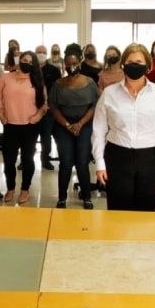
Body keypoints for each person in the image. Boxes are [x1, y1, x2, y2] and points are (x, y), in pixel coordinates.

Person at [92, 43, 155, 211]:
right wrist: (100, 163)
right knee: (118, 210)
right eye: (130, 62)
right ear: (123, 65)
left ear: (147, 65)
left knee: (147, 211)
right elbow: (99, 130)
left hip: (151, 158)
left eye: (139, 61)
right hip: (117, 156)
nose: (134, 65)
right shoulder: (109, 93)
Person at [0, 51, 47, 204]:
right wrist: (2, 117)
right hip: (10, 125)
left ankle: (25, 189)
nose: (26, 63)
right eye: (24, 59)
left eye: (30, 61)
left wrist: (37, 117)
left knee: (27, 159)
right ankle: (10, 189)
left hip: (30, 126)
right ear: (19, 60)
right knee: (9, 160)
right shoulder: (5, 77)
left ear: (34, 65)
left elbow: (44, 104)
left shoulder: (37, 80)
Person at [50, 44, 98, 209]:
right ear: (65, 65)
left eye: (75, 64)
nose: (72, 67)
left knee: (82, 162)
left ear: (80, 64)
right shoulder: (58, 84)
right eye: (69, 64)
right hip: (63, 126)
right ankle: (62, 197)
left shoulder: (90, 83)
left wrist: (80, 124)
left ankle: (86, 196)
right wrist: (68, 125)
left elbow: (94, 106)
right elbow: (54, 107)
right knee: (66, 162)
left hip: (84, 125)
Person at [36, 45, 61, 171]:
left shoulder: (54, 70)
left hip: (49, 109)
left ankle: (45, 159)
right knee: (30, 137)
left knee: (46, 136)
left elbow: (58, 90)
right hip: (32, 109)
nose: (41, 54)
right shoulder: (30, 70)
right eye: (39, 52)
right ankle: (25, 161)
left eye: (44, 52)